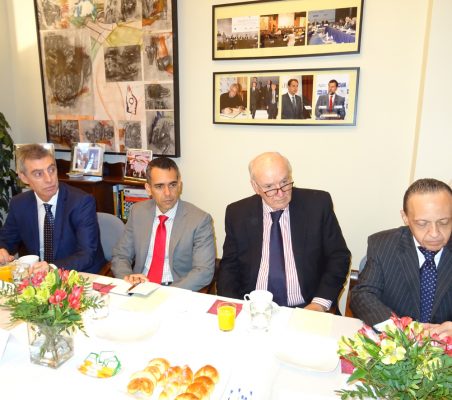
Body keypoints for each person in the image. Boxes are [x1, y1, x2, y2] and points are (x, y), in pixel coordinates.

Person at [217, 152, 351, 311]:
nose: (280, 193)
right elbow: (229, 267)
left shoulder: (317, 205)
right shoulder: (237, 213)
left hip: (307, 306)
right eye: (269, 187)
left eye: (284, 182)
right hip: (253, 306)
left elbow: (338, 257)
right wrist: (233, 306)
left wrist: (319, 303)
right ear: (255, 187)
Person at [351, 179, 452, 337]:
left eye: (444, 222)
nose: (434, 233)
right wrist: (397, 329)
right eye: (422, 223)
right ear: (405, 217)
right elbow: (363, 294)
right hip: (394, 341)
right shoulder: (383, 245)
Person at [111, 157, 215, 291]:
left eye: (172, 185)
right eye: (159, 186)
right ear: (148, 189)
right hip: (140, 286)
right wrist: (128, 278)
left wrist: (165, 293)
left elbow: (204, 271)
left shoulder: (199, 220)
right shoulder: (138, 212)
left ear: (180, 185)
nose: (167, 193)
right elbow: (121, 255)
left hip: (176, 289)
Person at [0, 144, 105, 273]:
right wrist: (2, 249)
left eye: (51, 170)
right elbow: (6, 239)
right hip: (39, 276)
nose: (49, 179)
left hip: (79, 274)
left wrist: (51, 268)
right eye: (39, 174)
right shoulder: (19, 204)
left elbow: (87, 254)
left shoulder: (81, 202)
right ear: (24, 178)